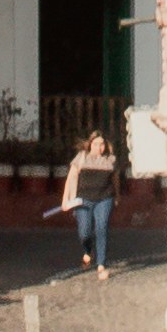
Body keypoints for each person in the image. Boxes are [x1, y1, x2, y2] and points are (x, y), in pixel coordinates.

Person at [60, 117, 120, 276]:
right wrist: (66, 199)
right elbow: (71, 177)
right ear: (90, 144)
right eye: (96, 144)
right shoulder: (81, 157)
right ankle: (87, 250)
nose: (99, 148)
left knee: (101, 227)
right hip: (83, 199)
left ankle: (101, 263)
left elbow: (115, 180)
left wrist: (117, 196)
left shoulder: (110, 160)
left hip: (104, 198)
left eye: (102, 144)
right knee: (84, 232)